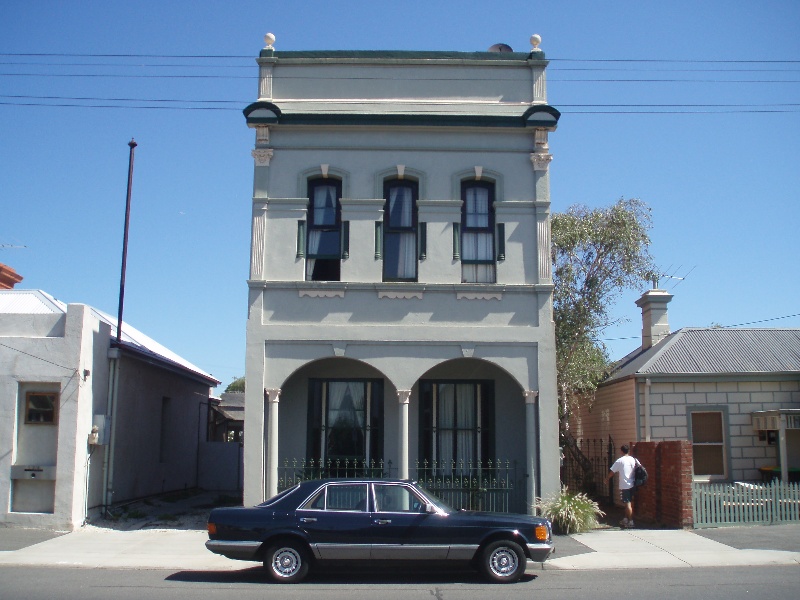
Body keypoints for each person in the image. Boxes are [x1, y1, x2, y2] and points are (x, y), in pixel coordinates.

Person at [607, 444, 637, 528]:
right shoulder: (633, 459)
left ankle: (631, 521)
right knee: (629, 502)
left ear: (621, 451)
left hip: (625, 484)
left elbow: (612, 472)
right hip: (633, 483)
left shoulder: (620, 461)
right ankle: (626, 518)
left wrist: (607, 479)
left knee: (627, 503)